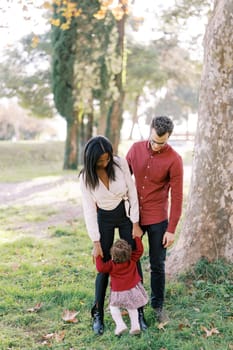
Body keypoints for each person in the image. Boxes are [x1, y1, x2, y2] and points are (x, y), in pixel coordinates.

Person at [79, 135, 147, 335]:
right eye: (100, 161)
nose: (105, 163)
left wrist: (135, 223)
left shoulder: (118, 164)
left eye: (107, 158)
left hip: (124, 213)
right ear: (91, 160)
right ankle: (98, 313)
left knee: (133, 259)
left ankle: (139, 312)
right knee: (103, 266)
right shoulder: (85, 178)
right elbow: (89, 210)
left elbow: (132, 192)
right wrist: (96, 241)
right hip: (104, 218)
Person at [126, 116, 183, 323]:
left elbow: (177, 197)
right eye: (154, 141)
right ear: (149, 131)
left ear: (169, 137)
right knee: (134, 260)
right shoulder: (134, 149)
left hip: (159, 218)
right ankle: (137, 303)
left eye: (162, 142)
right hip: (135, 217)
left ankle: (158, 305)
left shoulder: (175, 159)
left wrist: (171, 229)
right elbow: (123, 179)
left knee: (157, 264)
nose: (157, 146)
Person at [95, 236, 148, 336]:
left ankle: (120, 325)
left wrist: (97, 256)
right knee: (132, 308)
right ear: (129, 252)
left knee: (113, 308)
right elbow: (140, 250)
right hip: (132, 290)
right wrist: (137, 238)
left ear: (113, 254)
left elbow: (101, 268)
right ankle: (135, 326)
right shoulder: (132, 260)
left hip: (118, 293)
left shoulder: (111, 265)